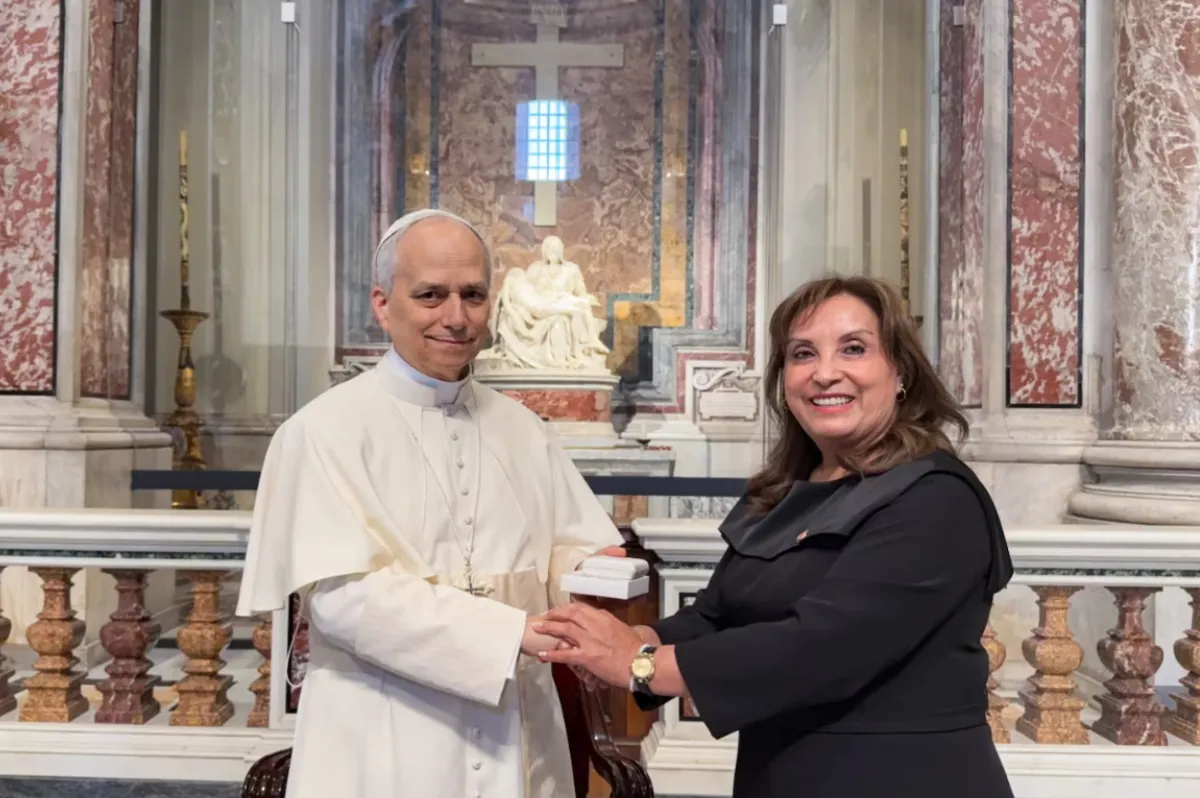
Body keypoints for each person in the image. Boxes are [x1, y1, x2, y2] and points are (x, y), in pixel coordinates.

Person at [535, 276, 1016, 798]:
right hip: (782, 773)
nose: (825, 373)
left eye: (853, 349)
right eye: (803, 354)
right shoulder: (784, 493)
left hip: (901, 777)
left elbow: (821, 647)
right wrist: (626, 641)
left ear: (900, 371)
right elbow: (716, 615)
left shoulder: (934, 498)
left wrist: (639, 665)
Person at [235, 209, 625, 798]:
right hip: (383, 728)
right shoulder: (321, 431)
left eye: (472, 295)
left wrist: (594, 574)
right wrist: (509, 629)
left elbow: (567, 547)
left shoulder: (524, 429)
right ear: (383, 303)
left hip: (516, 726)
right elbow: (344, 600)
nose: (456, 317)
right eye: (430, 295)